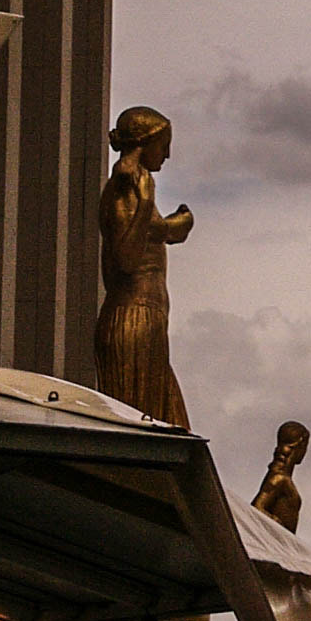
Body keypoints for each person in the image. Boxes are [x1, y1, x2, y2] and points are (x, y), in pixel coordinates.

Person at [94, 105, 194, 427]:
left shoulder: (137, 184)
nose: (166, 154)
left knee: (171, 426)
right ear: (144, 143)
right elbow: (126, 257)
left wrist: (169, 227)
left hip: (148, 321)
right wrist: (149, 207)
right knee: (141, 425)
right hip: (132, 319)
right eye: (162, 145)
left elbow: (149, 234)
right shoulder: (125, 188)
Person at [226, 422, 311, 621]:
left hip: (275, 575)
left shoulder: (281, 478)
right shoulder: (279, 480)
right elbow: (255, 513)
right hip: (271, 576)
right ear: (301, 446)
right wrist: (281, 538)